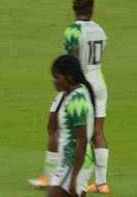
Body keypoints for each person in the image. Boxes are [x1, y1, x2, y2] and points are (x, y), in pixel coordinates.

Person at [62, 0, 111, 194]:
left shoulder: (73, 30)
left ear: (73, 8)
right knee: (98, 133)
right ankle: (102, 183)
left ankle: (76, 180)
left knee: (81, 134)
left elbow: (72, 62)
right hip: (99, 80)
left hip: (84, 84)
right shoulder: (100, 30)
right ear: (92, 9)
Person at [47, 55, 96, 197]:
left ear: (69, 77)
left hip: (75, 162)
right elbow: (51, 127)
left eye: (57, 77)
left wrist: (74, 176)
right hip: (69, 161)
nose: (53, 82)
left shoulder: (77, 101)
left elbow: (82, 140)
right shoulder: (67, 95)